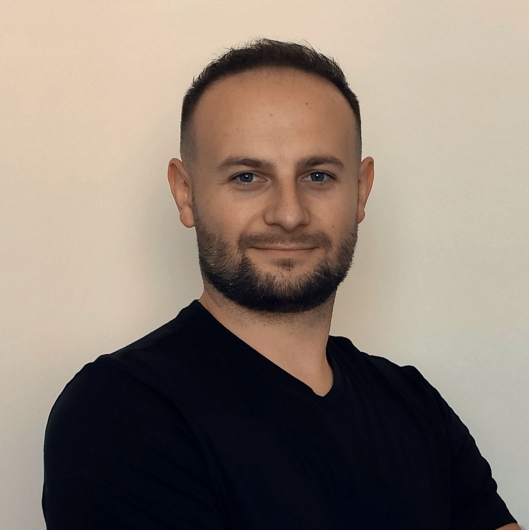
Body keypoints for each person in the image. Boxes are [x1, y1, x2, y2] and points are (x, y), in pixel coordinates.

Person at [42, 39, 520, 529]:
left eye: (318, 176)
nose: (289, 214)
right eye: (248, 177)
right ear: (185, 194)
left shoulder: (415, 406)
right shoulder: (120, 411)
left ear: (360, 191)